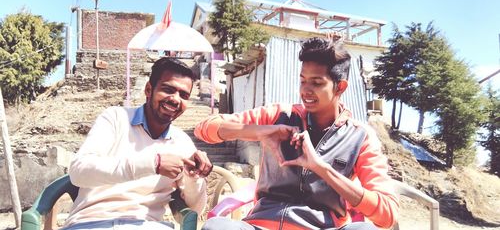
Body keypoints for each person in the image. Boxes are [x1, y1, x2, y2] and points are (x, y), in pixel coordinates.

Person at [195, 37, 399, 230]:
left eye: (317, 83)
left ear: (340, 87)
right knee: (217, 226)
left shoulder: (360, 137)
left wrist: (321, 169)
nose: (306, 91)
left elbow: (387, 214)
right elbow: (205, 129)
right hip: (261, 225)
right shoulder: (278, 115)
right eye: (303, 81)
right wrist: (261, 132)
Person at [63, 57, 213, 230]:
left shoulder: (182, 142)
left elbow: (193, 211)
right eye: (168, 89)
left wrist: (194, 177)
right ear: (149, 89)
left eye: (184, 95)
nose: (175, 99)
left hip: (148, 225)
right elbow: (79, 172)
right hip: (91, 222)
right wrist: (152, 164)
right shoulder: (115, 118)